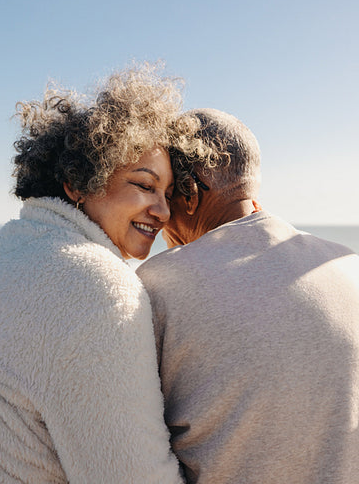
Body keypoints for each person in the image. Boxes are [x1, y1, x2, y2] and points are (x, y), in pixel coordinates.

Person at [0, 64, 202, 483]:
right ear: (78, 183)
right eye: (144, 185)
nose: (163, 211)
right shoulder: (97, 286)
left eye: (168, 194)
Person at [137, 108, 359, 484]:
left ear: (189, 193)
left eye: (167, 193)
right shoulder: (349, 265)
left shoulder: (158, 284)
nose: (160, 218)